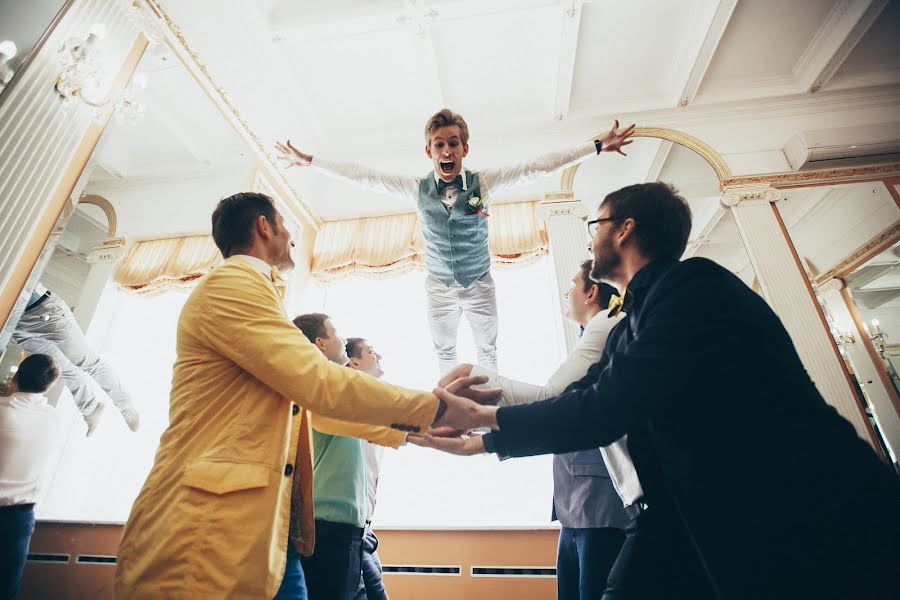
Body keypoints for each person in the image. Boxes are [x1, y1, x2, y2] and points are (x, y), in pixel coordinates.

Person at [421, 182, 900, 599]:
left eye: (595, 227)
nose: (591, 242)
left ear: (623, 229)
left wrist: (483, 423)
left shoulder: (696, 289)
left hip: (814, 508)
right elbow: (580, 398)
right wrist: (481, 438)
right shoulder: (633, 324)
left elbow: (605, 409)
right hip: (681, 513)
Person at [113, 192, 487, 599]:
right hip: (207, 526)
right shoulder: (231, 284)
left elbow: (315, 414)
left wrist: (420, 433)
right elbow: (318, 383)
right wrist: (434, 408)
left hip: (268, 531)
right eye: (286, 224)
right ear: (263, 226)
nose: (292, 236)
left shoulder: (262, 297)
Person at [277, 109, 634, 373]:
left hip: (479, 282)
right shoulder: (416, 189)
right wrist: (312, 162)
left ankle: (490, 405)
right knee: (444, 350)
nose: (446, 151)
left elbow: (537, 167)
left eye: (452, 144)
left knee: (488, 349)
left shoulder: (486, 183)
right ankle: (453, 405)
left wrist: (597, 146)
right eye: (439, 145)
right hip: (439, 287)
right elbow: (366, 177)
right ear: (429, 152)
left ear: (464, 149)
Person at [432, 260, 629, 600]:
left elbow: (552, 399)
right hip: (575, 503)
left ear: (592, 291)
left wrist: (475, 377)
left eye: (572, 284)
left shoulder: (607, 322)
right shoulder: (595, 333)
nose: (567, 293)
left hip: (598, 501)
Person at [291, 316, 405, 600]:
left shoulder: (341, 390)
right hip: (330, 529)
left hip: (352, 528)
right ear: (319, 343)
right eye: (336, 333)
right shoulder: (328, 390)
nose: (342, 339)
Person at [13, 282, 140, 436]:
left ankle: (125, 404)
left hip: (42, 311)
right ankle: (90, 409)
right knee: (62, 370)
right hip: (18, 325)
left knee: (88, 362)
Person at [0, 354, 61, 598]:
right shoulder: (53, 419)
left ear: (15, 377)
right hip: (20, 520)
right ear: (49, 385)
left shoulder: (3, 411)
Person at [346, 337, 391, 600]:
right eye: (371, 351)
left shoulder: (374, 403)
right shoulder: (352, 402)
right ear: (354, 362)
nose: (379, 356)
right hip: (349, 534)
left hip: (365, 531)